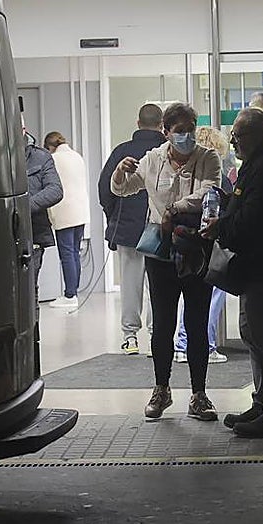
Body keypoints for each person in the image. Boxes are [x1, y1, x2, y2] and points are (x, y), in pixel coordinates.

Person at [111, 102, 222, 421]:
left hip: (195, 245)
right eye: (179, 131)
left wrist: (175, 209)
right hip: (160, 249)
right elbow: (123, 189)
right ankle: (161, 389)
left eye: (190, 129)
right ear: (166, 131)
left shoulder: (207, 157)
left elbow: (208, 191)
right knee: (162, 323)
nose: (186, 136)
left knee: (197, 322)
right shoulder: (153, 158)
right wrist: (121, 171)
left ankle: (199, 395)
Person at [204, 107, 263, 439]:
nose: (233, 142)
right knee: (255, 337)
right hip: (257, 267)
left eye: (238, 136)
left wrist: (222, 225)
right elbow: (246, 208)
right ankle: (261, 404)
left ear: (258, 135)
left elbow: (253, 220)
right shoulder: (256, 166)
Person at [99, 104, 165, 355]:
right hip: (159, 228)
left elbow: (106, 188)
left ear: (138, 123)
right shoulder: (165, 152)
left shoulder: (122, 152)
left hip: (127, 228)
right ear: (162, 125)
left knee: (130, 283)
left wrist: (114, 216)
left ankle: (129, 337)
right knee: (158, 285)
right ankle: (156, 334)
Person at [174, 126, 234, 364]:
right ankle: (205, 345)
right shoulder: (213, 182)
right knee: (211, 297)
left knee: (190, 299)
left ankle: (182, 344)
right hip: (209, 246)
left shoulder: (189, 176)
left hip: (188, 244)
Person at [45, 132, 90, 309]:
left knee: (66, 254)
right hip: (80, 211)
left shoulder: (53, 159)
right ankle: (74, 292)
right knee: (74, 252)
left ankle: (70, 295)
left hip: (64, 211)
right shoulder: (77, 157)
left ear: (49, 146)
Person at [24, 122, 63, 297]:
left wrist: (23, 207)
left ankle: (33, 325)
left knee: (30, 290)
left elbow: (55, 190)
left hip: (33, 233)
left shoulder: (41, 157)